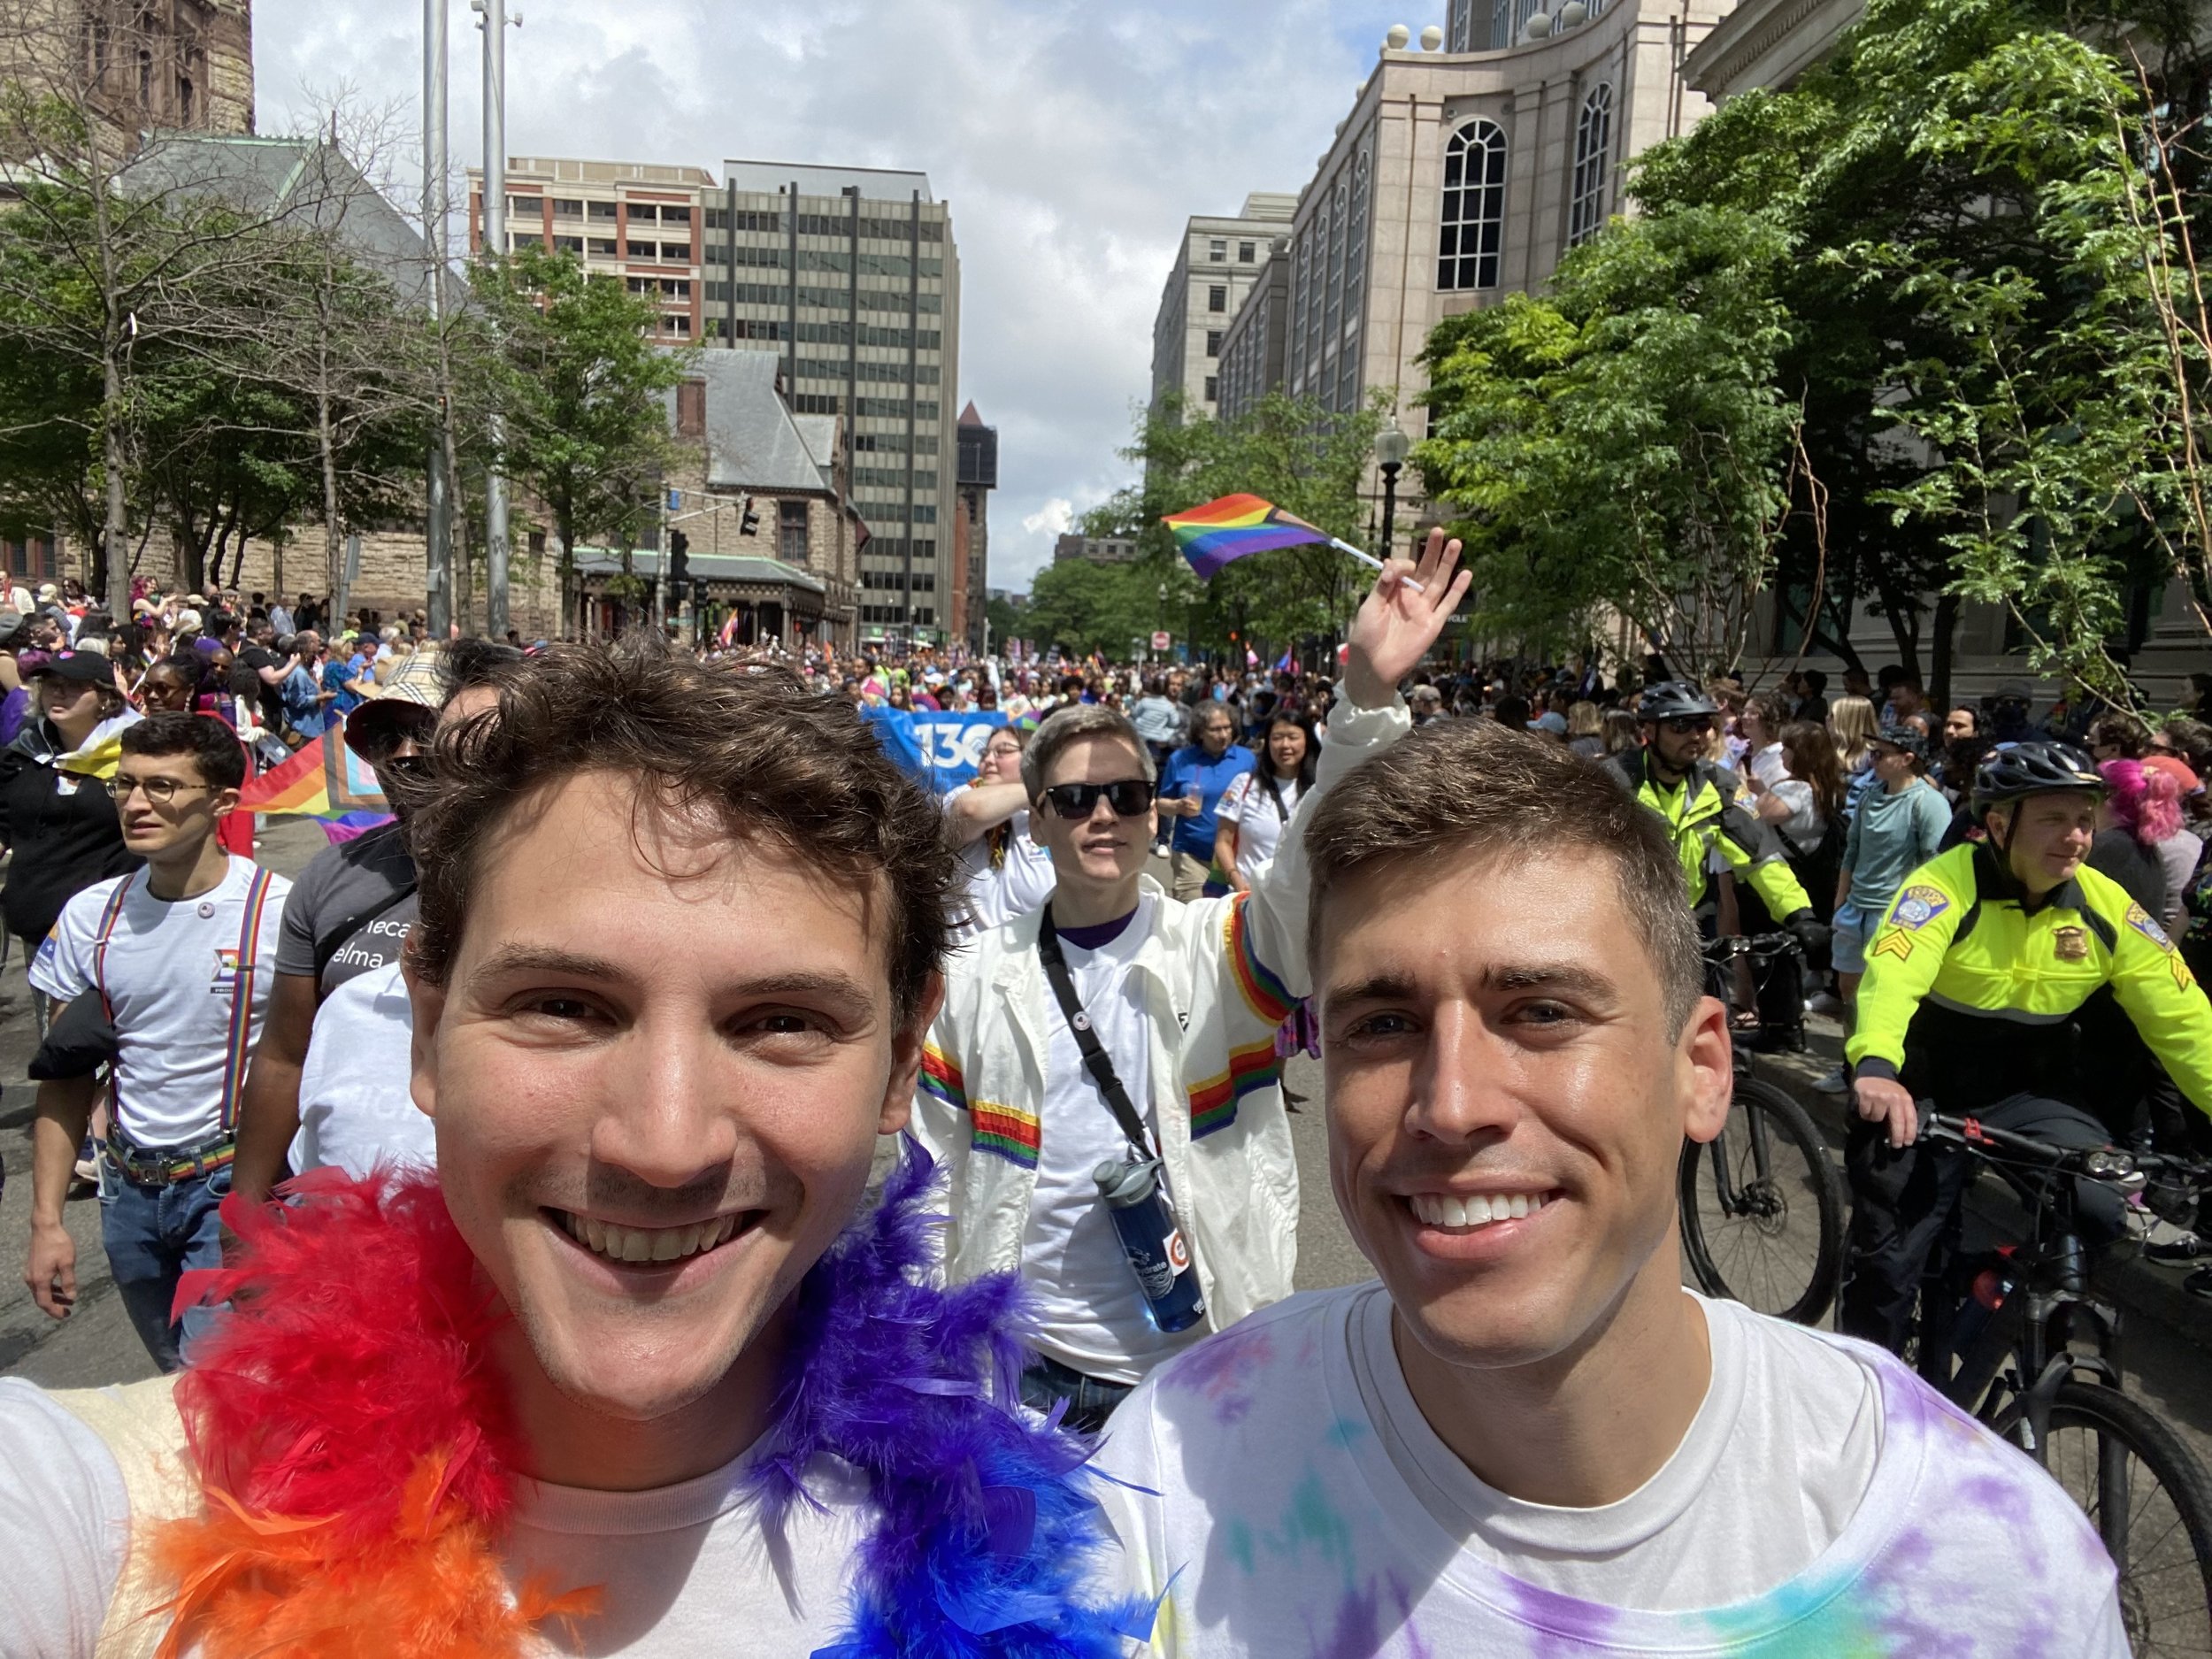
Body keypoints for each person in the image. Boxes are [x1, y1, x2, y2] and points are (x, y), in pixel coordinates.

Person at [0, 644, 1141, 1656]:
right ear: (430, 1027)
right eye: (566, 1006)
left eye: (781, 1022)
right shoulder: (116, 1514)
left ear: (898, 1067)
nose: (663, 1143)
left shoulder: (1066, 1560)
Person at [1094, 716, 2127, 1655]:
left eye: (1541, 1011)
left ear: (1702, 1070)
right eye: (1384, 1024)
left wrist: (1801, 916)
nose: (1450, 1106)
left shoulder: (1991, 1572)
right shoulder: (1169, 1479)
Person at [914, 535, 1469, 1430]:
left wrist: (1364, 697)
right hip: (1021, 1393)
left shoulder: (1224, 949)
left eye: (1126, 797)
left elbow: (1309, 863)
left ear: (1150, 810)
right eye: (1074, 800)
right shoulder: (972, 981)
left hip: (1207, 1385)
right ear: (1039, 824)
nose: (1104, 817)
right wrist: (928, 1376)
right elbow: (928, 1184)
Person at [1839, 741, 2212, 1352]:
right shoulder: (1942, 884)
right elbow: (1892, 975)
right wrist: (1878, 1066)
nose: (2075, 837)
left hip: (2026, 1087)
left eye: (2085, 820)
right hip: (1920, 1081)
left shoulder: (2104, 904)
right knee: (1890, 1257)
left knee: (2099, 1209)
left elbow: (2183, 1016)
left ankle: (1977, 1276)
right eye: (2053, 819)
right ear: (1997, 825)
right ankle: (1859, 1391)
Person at [20, 712, 289, 1371]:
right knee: (172, 1379)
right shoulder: (94, 914)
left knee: (214, 1387)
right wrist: (47, 1221)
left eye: (163, 787)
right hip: (130, 1195)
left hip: (229, 1187)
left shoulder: (279, 913)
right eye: (125, 785)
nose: (137, 804)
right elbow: (66, 1073)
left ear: (223, 801)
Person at [229, 643, 519, 1203]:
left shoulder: (566, 879)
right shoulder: (333, 876)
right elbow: (285, 1055)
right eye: (389, 737)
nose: (408, 756)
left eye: (432, 732)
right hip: (339, 1239)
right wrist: (243, 1214)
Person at [1601, 681, 1826, 951]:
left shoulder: (1719, 786)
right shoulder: (1611, 783)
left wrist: (1800, 915)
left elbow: (1760, 857)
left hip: (1686, 928)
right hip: (1619, 929)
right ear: (1649, 729)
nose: (1695, 735)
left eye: (1703, 725)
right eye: (1680, 726)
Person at [0, 652, 143, 1014]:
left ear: (106, 698)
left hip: (114, 927)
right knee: (59, 1048)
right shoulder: (23, 755)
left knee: (115, 1039)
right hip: (40, 929)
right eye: (50, 685)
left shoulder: (137, 754)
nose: (57, 694)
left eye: (73, 687)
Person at [943, 718, 1057, 941]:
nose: (988, 760)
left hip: (1029, 963)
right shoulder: (961, 796)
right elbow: (971, 810)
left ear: (1033, 759)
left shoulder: (1050, 817)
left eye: (1002, 752)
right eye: (985, 753)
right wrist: (1044, 790)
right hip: (966, 967)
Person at [1156, 700, 1253, 902]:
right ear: (1200, 732)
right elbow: (1161, 804)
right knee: (1195, 920)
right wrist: (1177, 806)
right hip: (1192, 856)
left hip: (1234, 859)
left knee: (1230, 925)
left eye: (1227, 727)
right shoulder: (1181, 759)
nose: (1224, 734)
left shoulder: (1247, 759)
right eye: (1216, 729)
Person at [1211, 710, 1314, 894]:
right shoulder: (1242, 784)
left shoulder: (1320, 790)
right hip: (1249, 897)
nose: (1285, 745)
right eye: (1277, 738)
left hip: (1298, 903)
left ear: (1307, 740)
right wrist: (1236, 880)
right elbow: (1223, 841)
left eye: (1293, 737)